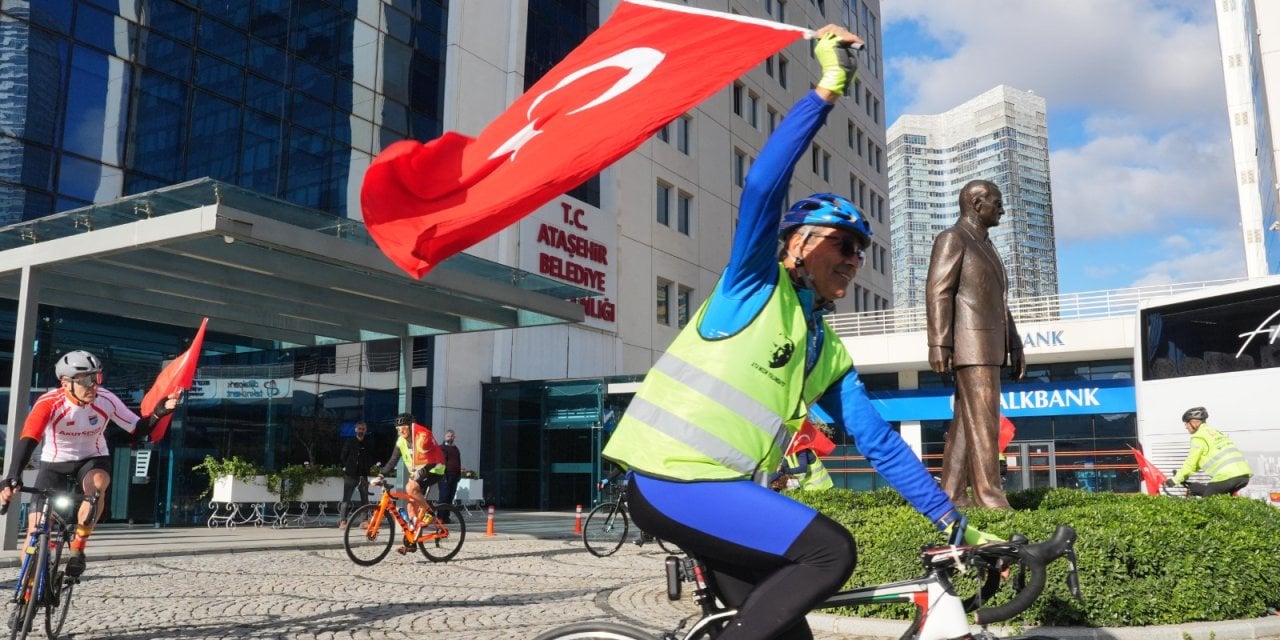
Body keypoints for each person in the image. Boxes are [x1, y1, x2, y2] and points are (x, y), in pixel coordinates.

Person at [601, 26, 971, 640]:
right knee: (831, 553)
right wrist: (827, 89)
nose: (854, 260)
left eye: (862, 251)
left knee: (785, 632)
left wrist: (950, 519)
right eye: (843, 244)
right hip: (673, 482)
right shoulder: (754, 286)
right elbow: (762, 187)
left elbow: (878, 443)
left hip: (719, 492)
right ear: (798, 245)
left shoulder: (823, 346)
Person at [0, 350, 179, 577]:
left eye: (97, 378)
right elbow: (28, 439)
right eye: (86, 380)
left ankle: (79, 547)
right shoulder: (49, 403)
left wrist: (158, 413)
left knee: (96, 485)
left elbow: (137, 428)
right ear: (65, 383)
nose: (93, 385)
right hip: (55, 463)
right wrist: (13, 475)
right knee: (34, 533)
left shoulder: (106, 399)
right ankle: (26, 596)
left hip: (92, 458)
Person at [925, 179, 1026, 510]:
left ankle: (952, 494)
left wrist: (1016, 344)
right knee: (985, 421)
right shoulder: (953, 238)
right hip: (971, 344)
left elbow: (999, 302)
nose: (1002, 209)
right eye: (996, 203)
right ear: (976, 203)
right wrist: (939, 343)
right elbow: (939, 291)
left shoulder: (986, 245)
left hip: (989, 345)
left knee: (968, 422)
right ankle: (990, 496)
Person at [378, 412, 445, 553]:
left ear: (410, 427)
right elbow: (393, 460)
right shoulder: (401, 441)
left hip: (434, 469)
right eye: (397, 429)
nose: (400, 431)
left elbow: (433, 459)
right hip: (418, 473)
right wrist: (381, 475)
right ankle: (411, 543)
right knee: (410, 508)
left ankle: (430, 513)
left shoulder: (421, 438)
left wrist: (419, 474)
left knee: (411, 487)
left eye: (403, 428)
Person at [1165, 406, 1252, 497]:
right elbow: (1196, 464)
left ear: (1194, 422)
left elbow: (1190, 464)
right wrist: (1181, 476)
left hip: (1226, 477)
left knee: (1207, 506)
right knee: (1212, 493)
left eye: (1186, 423)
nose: (1186, 427)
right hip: (1243, 475)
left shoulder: (1199, 437)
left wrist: (1174, 480)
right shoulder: (1215, 432)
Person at [337, 421, 373, 529]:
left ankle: (364, 521)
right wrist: (346, 467)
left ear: (365, 430)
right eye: (359, 429)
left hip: (363, 474)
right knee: (346, 499)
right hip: (351, 474)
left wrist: (367, 467)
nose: (361, 431)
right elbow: (343, 456)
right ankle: (343, 521)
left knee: (365, 499)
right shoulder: (350, 442)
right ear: (356, 430)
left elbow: (371, 456)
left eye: (363, 429)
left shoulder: (368, 443)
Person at [438, 429, 462, 523]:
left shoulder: (456, 449)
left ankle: (446, 517)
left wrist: (459, 475)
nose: (450, 438)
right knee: (443, 497)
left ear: (454, 437)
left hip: (454, 476)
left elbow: (459, 462)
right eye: (448, 436)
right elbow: (441, 462)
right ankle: (440, 518)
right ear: (445, 437)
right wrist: (442, 476)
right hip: (445, 476)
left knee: (450, 498)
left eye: (451, 436)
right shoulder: (441, 448)